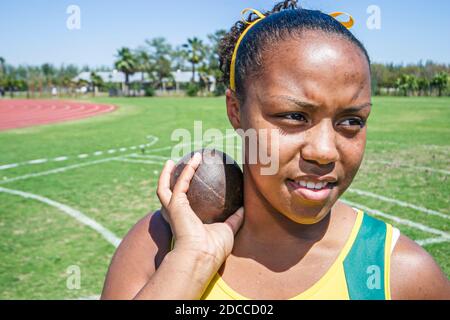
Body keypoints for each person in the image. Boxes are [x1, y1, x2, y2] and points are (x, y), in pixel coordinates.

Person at [101, 0, 450, 300]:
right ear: (235, 111)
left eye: (351, 121)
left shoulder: (399, 274)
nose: (325, 152)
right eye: (294, 116)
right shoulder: (159, 247)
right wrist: (190, 263)